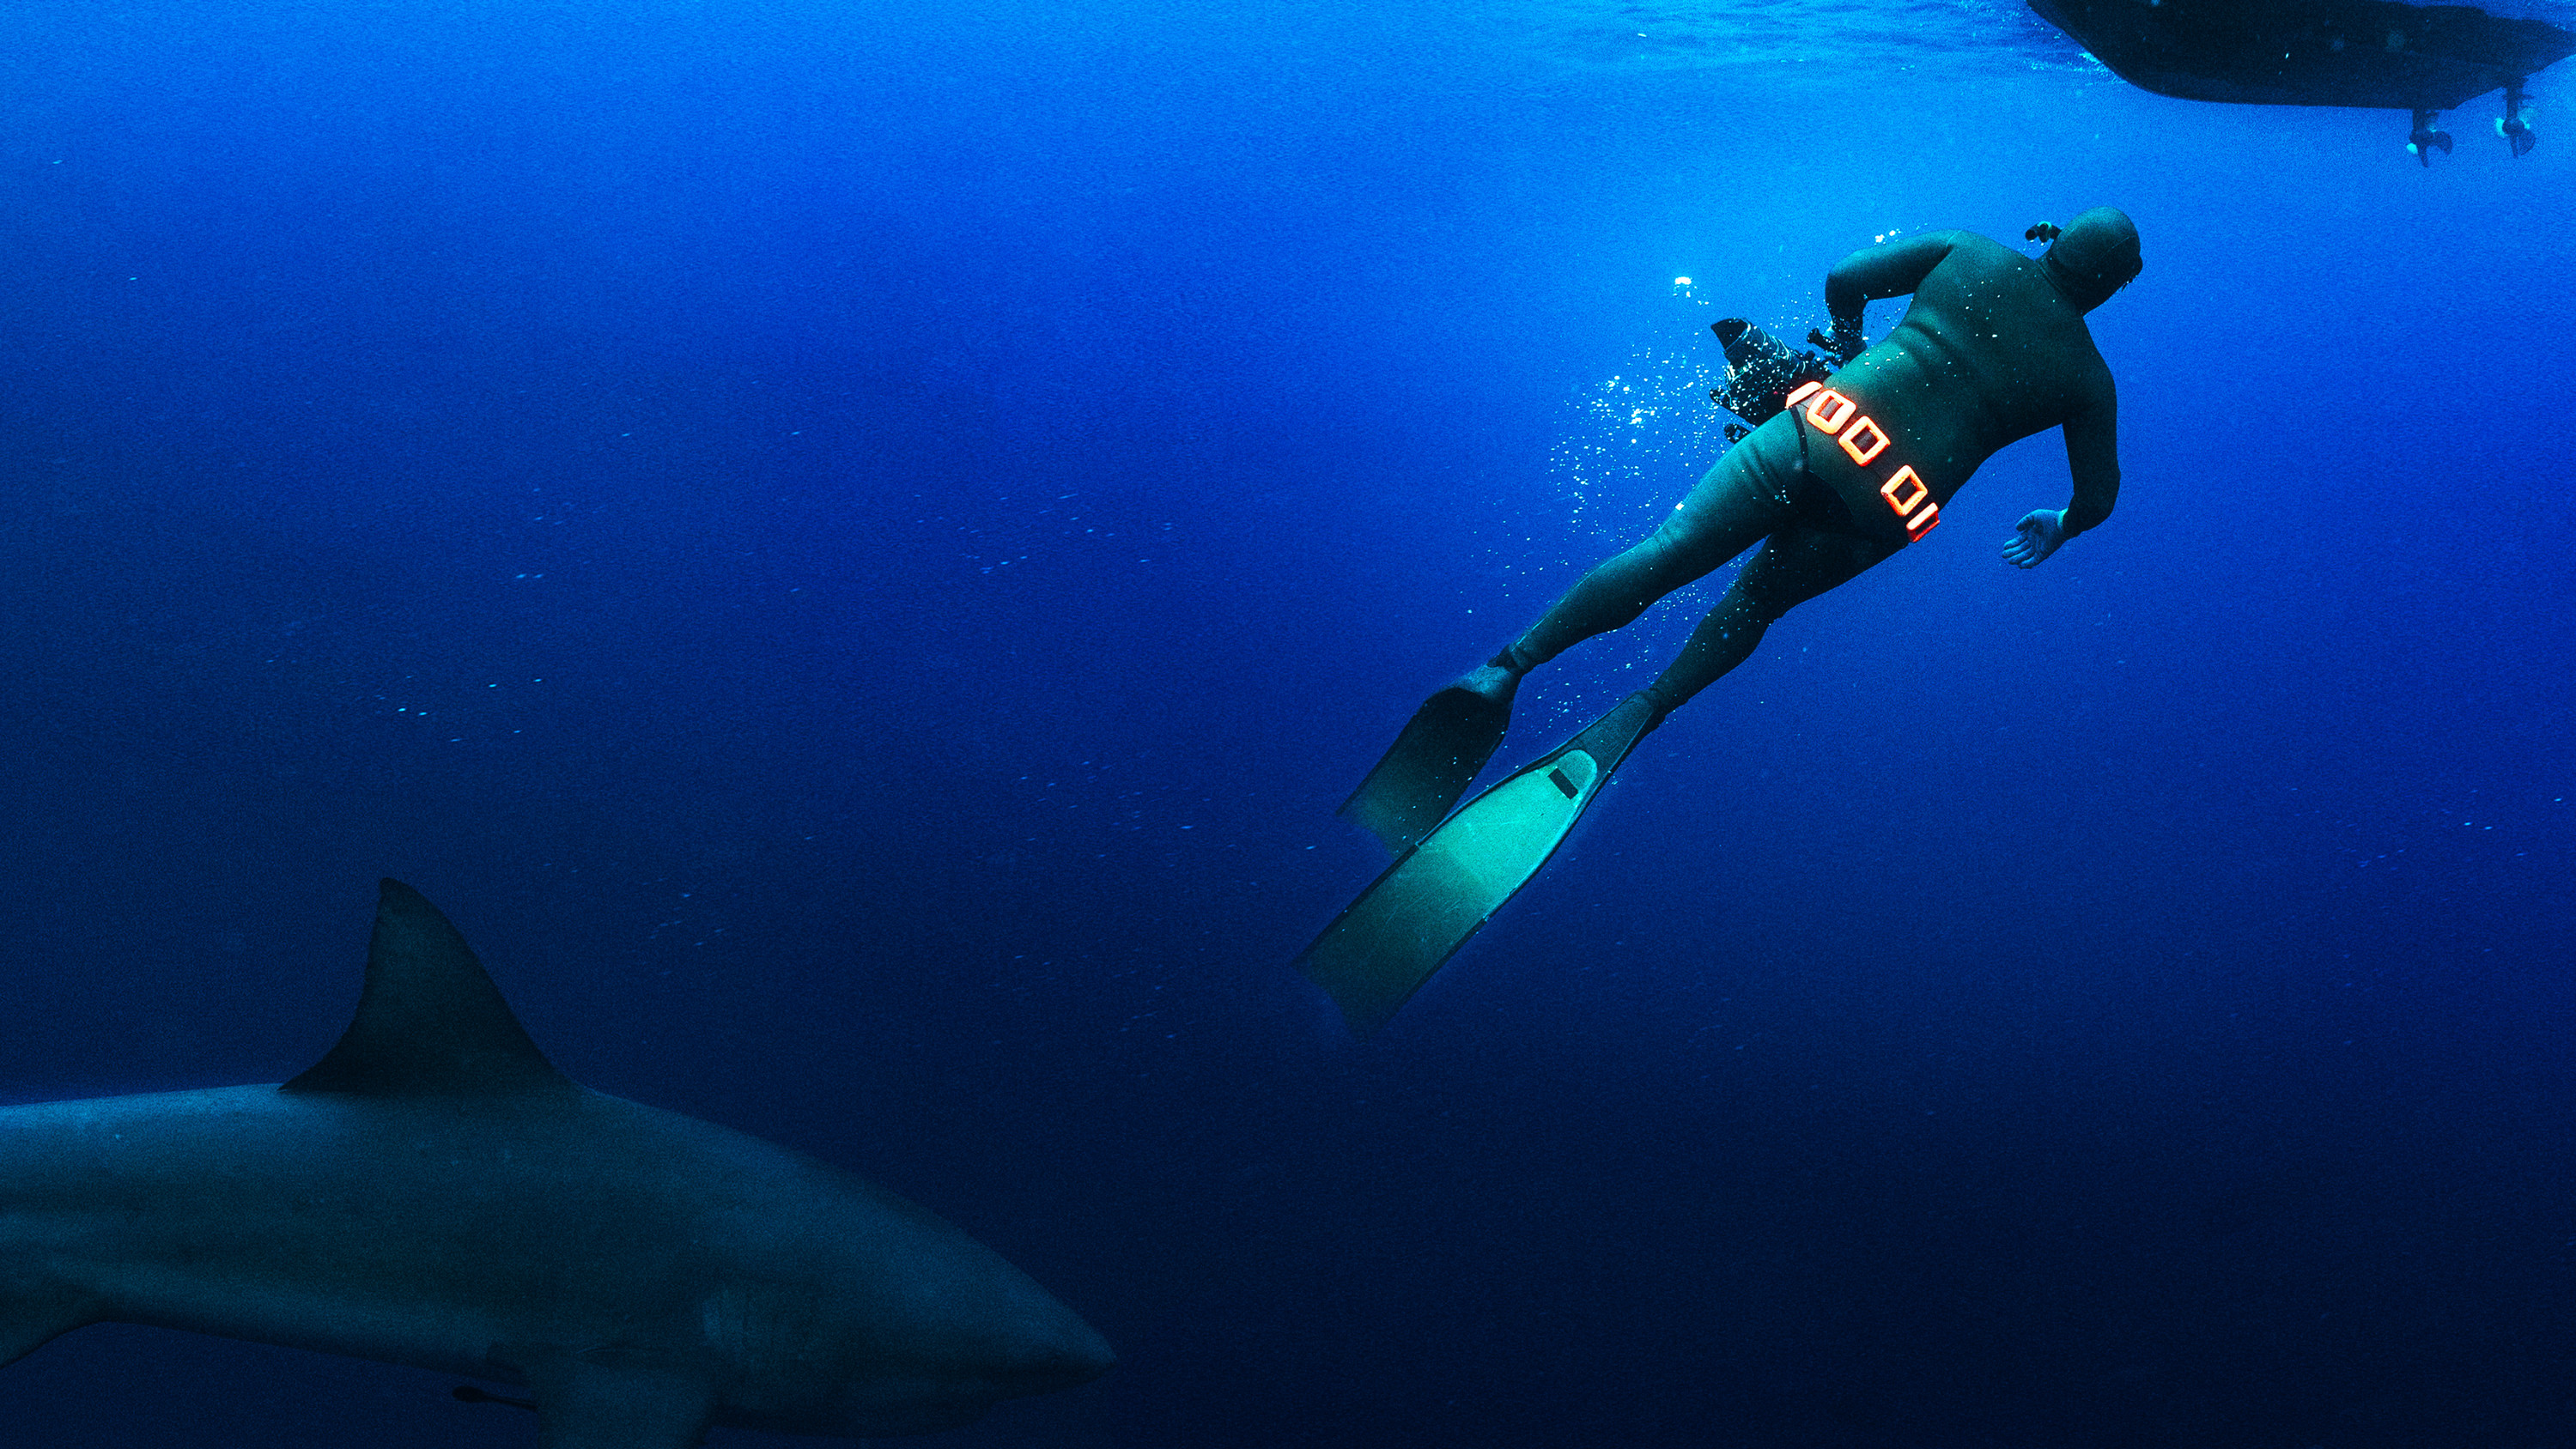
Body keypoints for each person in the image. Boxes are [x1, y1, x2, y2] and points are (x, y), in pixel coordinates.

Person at [1459, 206, 2138, 726]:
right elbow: (2099, 498)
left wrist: (1849, 347)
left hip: (1824, 429)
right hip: (1892, 506)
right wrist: (2062, 522)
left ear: (2052, 237)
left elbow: (1845, 277)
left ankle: (1505, 669)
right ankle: (1643, 712)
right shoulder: (2087, 379)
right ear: (2115, 286)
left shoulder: (1970, 252)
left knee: (1668, 552)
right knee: (1754, 605)